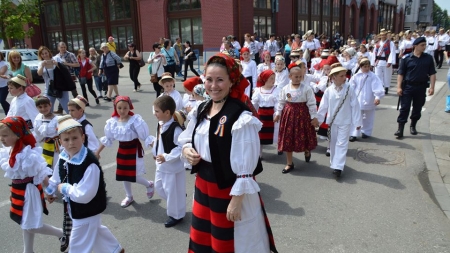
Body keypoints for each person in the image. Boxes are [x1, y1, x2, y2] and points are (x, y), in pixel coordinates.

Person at [178, 53, 277, 253]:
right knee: (204, 236)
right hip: (204, 185)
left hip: (229, 189)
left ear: (232, 82)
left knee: (230, 241)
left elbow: (247, 164)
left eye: (220, 80)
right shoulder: (203, 108)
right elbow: (188, 137)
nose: (213, 85)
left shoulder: (240, 116)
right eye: (209, 80)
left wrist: (237, 200)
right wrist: (187, 149)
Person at [45, 115, 124, 253]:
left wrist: (64, 188)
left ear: (83, 137)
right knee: (95, 230)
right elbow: (57, 175)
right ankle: (114, 250)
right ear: (60, 142)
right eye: (66, 139)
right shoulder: (65, 155)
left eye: (75, 138)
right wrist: (50, 190)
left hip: (87, 208)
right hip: (76, 207)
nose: (71, 143)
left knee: (78, 245)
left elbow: (84, 194)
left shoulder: (89, 163)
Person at [0, 116, 66, 253]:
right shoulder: (9, 151)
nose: (2, 139)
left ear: (17, 135)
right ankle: (28, 251)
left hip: (29, 191)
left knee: (31, 225)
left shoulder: (28, 154)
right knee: (25, 223)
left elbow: (42, 174)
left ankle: (61, 233)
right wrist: (12, 191)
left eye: (5, 135)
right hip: (18, 190)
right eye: (0, 136)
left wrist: (50, 191)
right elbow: (15, 176)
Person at [96, 96, 155, 208]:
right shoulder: (112, 122)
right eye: (119, 108)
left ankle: (149, 184)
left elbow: (146, 137)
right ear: (115, 108)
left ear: (129, 108)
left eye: (125, 108)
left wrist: (157, 150)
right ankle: (129, 196)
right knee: (124, 175)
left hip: (134, 150)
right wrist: (98, 152)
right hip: (122, 150)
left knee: (134, 175)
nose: (122, 111)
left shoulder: (135, 121)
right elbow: (108, 139)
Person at [274, 61, 319, 174]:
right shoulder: (285, 88)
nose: (298, 78)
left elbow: (312, 103)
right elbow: (281, 102)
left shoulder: (307, 88)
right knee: (289, 138)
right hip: (289, 115)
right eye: (296, 76)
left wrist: (313, 117)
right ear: (290, 76)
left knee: (304, 135)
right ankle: (289, 163)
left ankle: (307, 150)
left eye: (300, 76)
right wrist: (278, 113)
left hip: (303, 114)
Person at [316, 66, 361, 177]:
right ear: (333, 78)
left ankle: (338, 167)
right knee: (333, 143)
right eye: (341, 76)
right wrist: (318, 121)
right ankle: (334, 163)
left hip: (345, 121)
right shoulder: (328, 90)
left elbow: (355, 105)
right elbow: (323, 107)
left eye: (344, 75)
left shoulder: (349, 89)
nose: (344, 78)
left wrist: (357, 122)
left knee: (342, 144)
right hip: (332, 122)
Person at [151, 96, 186, 227]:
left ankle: (176, 215)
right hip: (161, 165)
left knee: (171, 192)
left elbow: (181, 147)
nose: (154, 114)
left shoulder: (175, 129)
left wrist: (167, 156)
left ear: (167, 113)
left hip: (172, 167)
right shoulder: (160, 124)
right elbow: (158, 139)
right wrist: (155, 152)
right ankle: (179, 198)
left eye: (157, 111)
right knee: (159, 187)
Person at [395, 37, 436, 138]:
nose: (424, 47)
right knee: (404, 108)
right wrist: (399, 87)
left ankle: (413, 125)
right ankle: (400, 129)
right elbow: (400, 74)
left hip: (421, 87)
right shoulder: (406, 58)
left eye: (425, 45)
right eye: (422, 45)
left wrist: (432, 87)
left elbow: (432, 74)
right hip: (408, 86)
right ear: (415, 46)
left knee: (417, 108)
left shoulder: (428, 58)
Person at [348, 58, 385, 141]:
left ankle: (366, 132)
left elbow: (377, 87)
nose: (367, 68)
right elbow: (351, 87)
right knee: (356, 116)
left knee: (368, 117)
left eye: (368, 66)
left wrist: (377, 97)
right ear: (360, 67)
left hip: (369, 99)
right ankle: (354, 133)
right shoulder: (356, 76)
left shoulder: (373, 76)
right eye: (365, 66)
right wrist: (349, 97)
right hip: (358, 99)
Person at [252, 69, 280, 158]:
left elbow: (278, 103)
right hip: (261, 115)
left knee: (276, 131)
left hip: (272, 115)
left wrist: (278, 113)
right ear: (265, 79)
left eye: (274, 78)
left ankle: (279, 147)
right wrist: (252, 114)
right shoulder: (258, 91)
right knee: (260, 134)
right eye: (271, 78)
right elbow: (254, 104)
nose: (273, 80)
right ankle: (259, 152)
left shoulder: (276, 90)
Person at [37, 46, 70, 114]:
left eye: (46, 53)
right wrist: (42, 66)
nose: (45, 55)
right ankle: (50, 123)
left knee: (67, 107)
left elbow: (64, 69)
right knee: (47, 107)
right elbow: (39, 73)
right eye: (42, 54)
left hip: (61, 87)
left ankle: (75, 121)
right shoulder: (41, 63)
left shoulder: (56, 58)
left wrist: (56, 64)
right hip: (49, 88)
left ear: (49, 53)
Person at [52, 42, 80, 114]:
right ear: (58, 48)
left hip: (70, 75)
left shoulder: (70, 55)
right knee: (62, 92)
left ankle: (78, 106)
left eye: (64, 47)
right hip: (61, 77)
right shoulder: (56, 56)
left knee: (73, 91)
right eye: (61, 47)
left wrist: (66, 64)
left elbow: (77, 64)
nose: (63, 49)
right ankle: (60, 109)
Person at [33, 96, 59, 169]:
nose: (43, 109)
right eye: (40, 107)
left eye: (45, 106)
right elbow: (37, 133)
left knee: (56, 163)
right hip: (44, 145)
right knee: (45, 163)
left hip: (56, 146)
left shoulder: (56, 119)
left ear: (50, 105)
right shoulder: (38, 118)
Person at [372, 29, 396, 95]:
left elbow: (392, 52)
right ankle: (379, 87)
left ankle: (386, 87)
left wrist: (390, 61)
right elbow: (374, 53)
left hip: (386, 61)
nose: (383, 36)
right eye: (382, 35)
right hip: (378, 61)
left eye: (384, 35)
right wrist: (373, 62)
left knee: (387, 75)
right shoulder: (377, 43)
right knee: (377, 75)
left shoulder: (390, 43)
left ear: (386, 35)